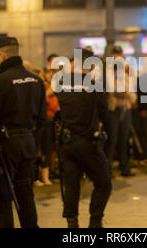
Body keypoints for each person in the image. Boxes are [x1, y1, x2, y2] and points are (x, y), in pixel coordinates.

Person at [0, 37, 47, 228]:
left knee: (2, 197)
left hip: (6, 146)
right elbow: (42, 119)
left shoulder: (0, 81)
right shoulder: (36, 80)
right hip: (28, 144)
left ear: (1, 54)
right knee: (25, 194)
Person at [55, 48, 111, 228]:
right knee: (104, 183)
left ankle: (72, 224)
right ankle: (95, 222)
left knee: (72, 185)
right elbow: (104, 112)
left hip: (67, 143)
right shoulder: (94, 85)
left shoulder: (61, 83)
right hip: (88, 143)